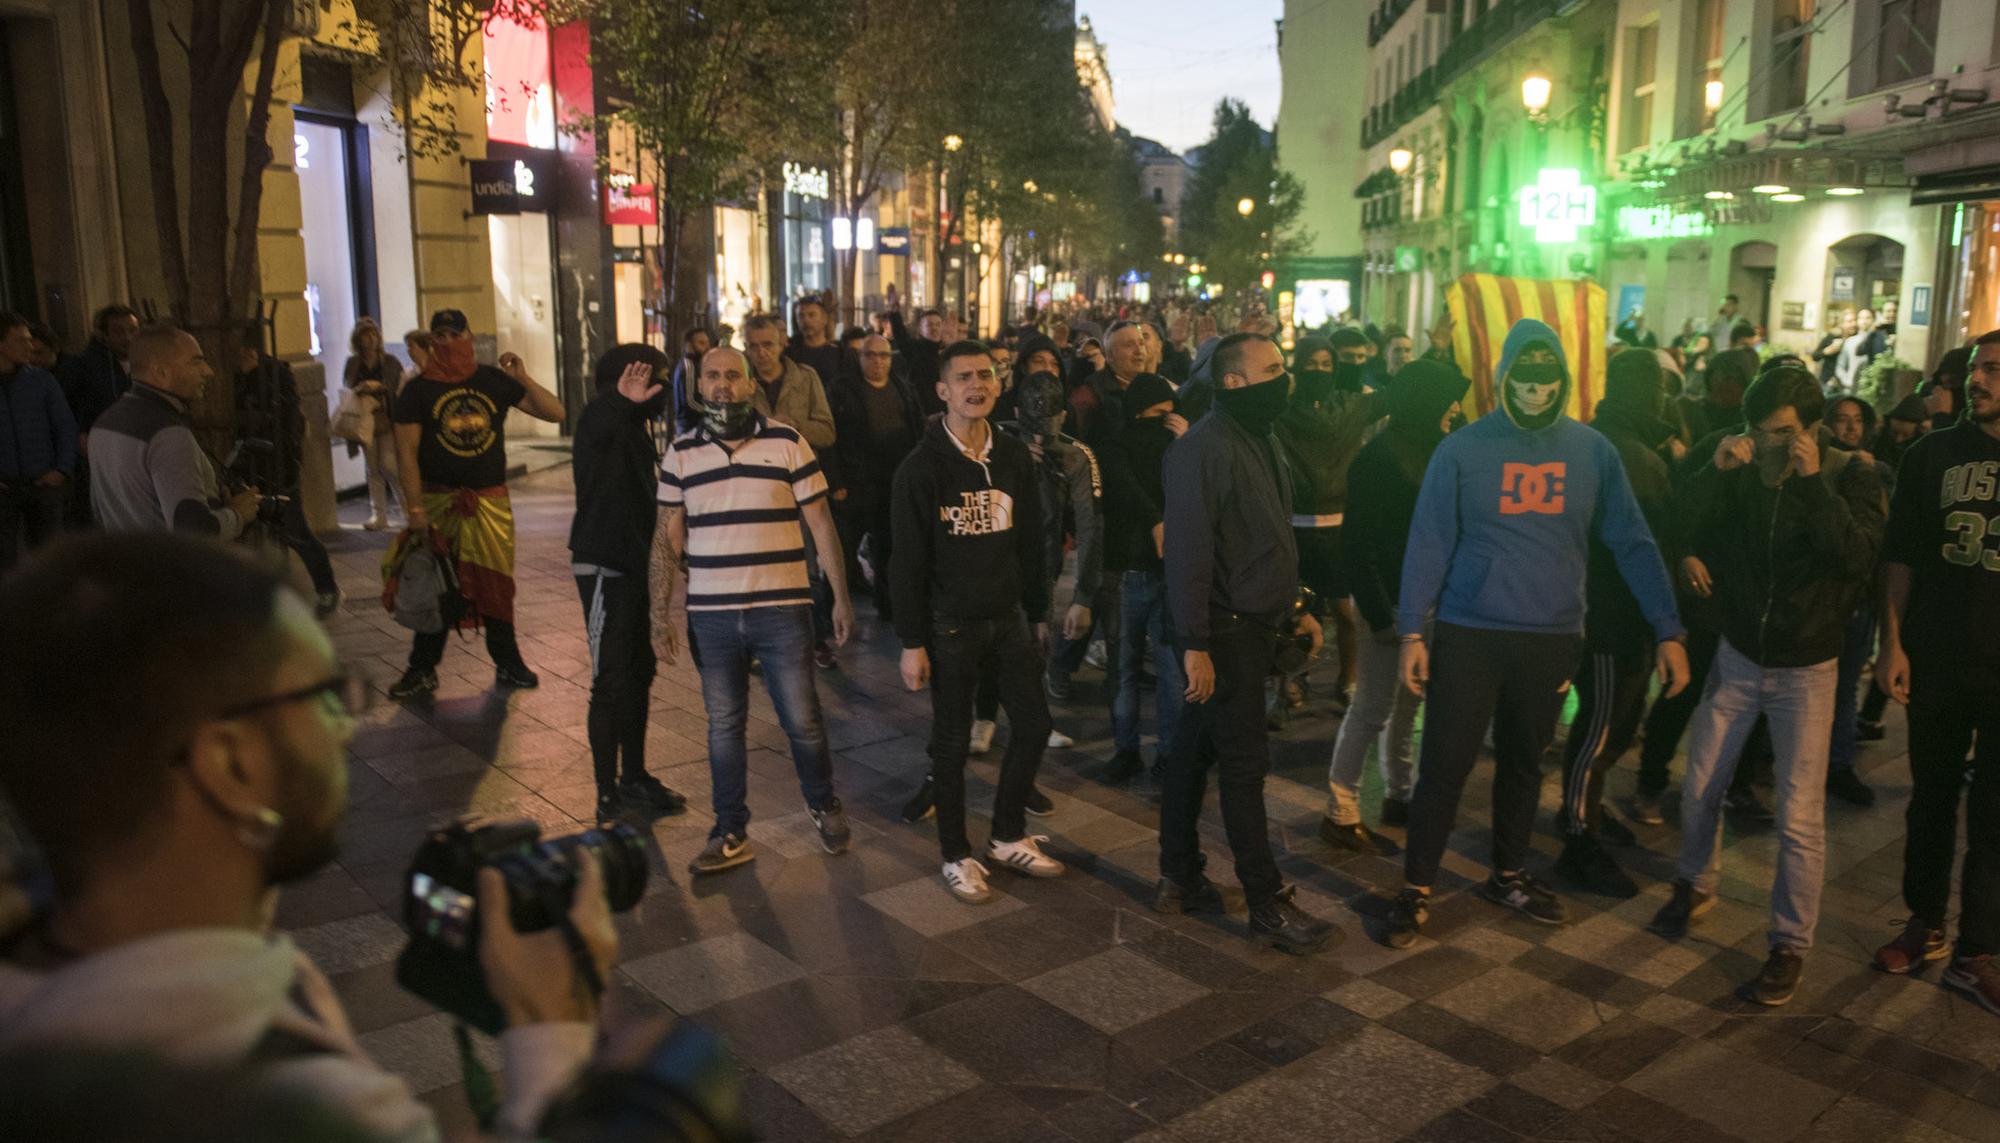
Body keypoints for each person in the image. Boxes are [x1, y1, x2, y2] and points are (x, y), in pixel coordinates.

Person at [0, 534, 613, 1143]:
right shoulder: (304, 1112)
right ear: (232, 764)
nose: (347, 728)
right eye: (325, 697)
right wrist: (553, 1036)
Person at [1386, 319, 1688, 948]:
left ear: (1565, 380)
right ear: (1503, 378)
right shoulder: (1462, 449)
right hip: (1470, 633)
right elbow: (1428, 541)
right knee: (1445, 764)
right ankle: (1414, 887)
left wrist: (1668, 627)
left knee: (1525, 764)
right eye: (1523, 376)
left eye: (1547, 377)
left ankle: (1509, 873)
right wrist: (1413, 631)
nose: (1535, 389)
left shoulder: (1592, 451)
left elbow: (1632, 542)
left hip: (1550, 638)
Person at [1647, 366, 1885, 1007]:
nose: (1767, 444)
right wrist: (1715, 474)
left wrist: (1810, 485)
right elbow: (1679, 524)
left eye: (1782, 433)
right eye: (1759, 431)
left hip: (1808, 667)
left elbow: (1858, 559)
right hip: (1740, 655)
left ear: (1811, 430)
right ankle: (1696, 883)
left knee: (1799, 815)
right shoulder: (1741, 465)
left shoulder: (1849, 476)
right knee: (1699, 784)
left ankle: (1788, 945)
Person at [1155, 332, 1334, 955]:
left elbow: (1269, 533)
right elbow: (1188, 553)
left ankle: (1178, 873)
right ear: (1235, 382)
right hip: (1223, 631)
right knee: (1243, 764)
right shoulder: (1200, 449)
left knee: (1192, 752)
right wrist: (1194, 643)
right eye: (1276, 368)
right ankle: (1266, 902)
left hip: (1254, 623)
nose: (1288, 379)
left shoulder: (1261, 435)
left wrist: (1297, 607)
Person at [651, 345, 854, 875]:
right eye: (713, 377)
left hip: (782, 609)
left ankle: (824, 803)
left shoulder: (787, 442)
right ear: (700, 389)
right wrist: (659, 613)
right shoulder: (681, 452)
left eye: (732, 376)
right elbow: (667, 539)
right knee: (724, 726)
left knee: (803, 721)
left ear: (749, 385)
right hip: (712, 615)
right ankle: (729, 828)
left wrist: (840, 597)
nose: (723, 385)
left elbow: (822, 525)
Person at [889, 340, 1066, 904]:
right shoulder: (920, 469)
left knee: (1034, 725)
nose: (977, 384)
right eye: (963, 377)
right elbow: (907, 561)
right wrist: (912, 641)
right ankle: (955, 853)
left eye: (986, 374)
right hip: (950, 625)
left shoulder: (1013, 456)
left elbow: (1032, 544)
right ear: (942, 391)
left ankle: (1007, 835)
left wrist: (1039, 611)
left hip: (1008, 617)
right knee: (952, 743)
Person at [1871, 328, 2000, 1011]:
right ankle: (1925, 922)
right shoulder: (1931, 454)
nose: (1979, 381)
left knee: (1997, 814)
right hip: (1940, 658)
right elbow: (1901, 556)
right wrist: (1891, 643)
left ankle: (1979, 949)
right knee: (1931, 798)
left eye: (1995, 371)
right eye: (1978, 369)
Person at [1552, 349, 1682, 898]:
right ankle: (1579, 839)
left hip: (1604, 615)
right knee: (1601, 732)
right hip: (1613, 620)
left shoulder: (1598, 443)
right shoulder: (1629, 456)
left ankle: (1583, 813)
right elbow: (1650, 544)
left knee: (1606, 729)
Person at [1321, 361, 1466, 851]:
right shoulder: (1379, 458)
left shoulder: (1443, 451)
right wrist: (1382, 615)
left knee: (1410, 703)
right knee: (1373, 707)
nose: (1456, 407)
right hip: (1391, 601)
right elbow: (1358, 544)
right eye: (1449, 396)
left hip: (1430, 600)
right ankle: (1340, 809)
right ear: (1426, 399)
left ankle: (1400, 793)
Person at [386, 309, 565, 699]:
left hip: (489, 504)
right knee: (439, 586)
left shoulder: (492, 381)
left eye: (455, 333)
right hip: (438, 504)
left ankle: (508, 662)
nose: (448, 342)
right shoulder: (416, 391)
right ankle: (422, 669)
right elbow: (406, 454)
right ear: (432, 340)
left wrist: (522, 379)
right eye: (441, 335)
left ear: (469, 334)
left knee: (495, 585)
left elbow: (556, 413)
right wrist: (414, 510)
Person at [568, 345, 688, 821]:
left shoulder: (635, 431)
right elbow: (597, 426)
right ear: (627, 380)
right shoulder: (602, 419)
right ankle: (605, 793)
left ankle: (634, 777)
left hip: (635, 568)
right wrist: (619, 400)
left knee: (639, 674)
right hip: (604, 568)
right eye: (653, 381)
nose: (661, 391)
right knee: (610, 680)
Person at [1273, 329, 1387, 722]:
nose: (1319, 371)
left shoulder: (1353, 406)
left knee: (1346, 613)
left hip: (1338, 529)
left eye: (1326, 365)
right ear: (1298, 368)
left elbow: (1402, 395)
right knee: (1294, 612)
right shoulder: (1281, 409)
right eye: (1311, 365)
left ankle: (1348, 680)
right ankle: (1291, 680)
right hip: (1296, 528)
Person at [88, 325, 259, 539]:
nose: (208, 371)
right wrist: (237, 515)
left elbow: (99, 513)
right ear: (161, 372)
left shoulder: (103, 424)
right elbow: (193, 531)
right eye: (196, 361)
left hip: (124, 564)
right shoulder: (168, 433)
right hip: (169, 567)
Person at [1099, 373, 1188, 781]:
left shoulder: (1180, 443)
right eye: (1156, 415)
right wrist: (1155, 520)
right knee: (1125, 664)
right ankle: (1126, 749)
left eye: (1170, 415)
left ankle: (1170, 752)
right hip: (1128, 569)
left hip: (1170, 571)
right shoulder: (1117, 444)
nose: (1164, 422)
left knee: (1171, 668)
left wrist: (1187, 444)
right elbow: (1123, 485)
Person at [743, 313, 841, 669]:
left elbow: (827, 431)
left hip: (799, 488)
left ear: (782, 342)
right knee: (759, 571)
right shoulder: (742, 383)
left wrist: (792, 427)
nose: (761, 353)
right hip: (755, 491)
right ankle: (760, 645)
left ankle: (816, 640)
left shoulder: (805, 378)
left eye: (767, 344)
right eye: (753, 346)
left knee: (809, 568)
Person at [234, 325, 340, 615]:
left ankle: (326, 588)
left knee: (295, 532)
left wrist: (251, 377)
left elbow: (282, 420)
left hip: (277, 467)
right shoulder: (230, 375)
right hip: (244, 467)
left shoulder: (275, 374)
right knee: (256, 536)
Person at [1823, 395, 1891, 807]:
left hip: (1860, 598)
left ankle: (1838, 765)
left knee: (1846, 687)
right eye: (1841, 420)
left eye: (1856, 421)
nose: (1850, 428)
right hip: (1823, 599)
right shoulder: (1817, 467)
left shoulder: (1879, 471)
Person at [827, 333, 923, 619]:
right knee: (842, 550)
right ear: (860, 358)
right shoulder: (842, 390)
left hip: (893, 482)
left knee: (889, 548)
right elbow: (831, 438)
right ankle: (834, 608)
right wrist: (836, 482)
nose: (878, 362)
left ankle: (888, 604)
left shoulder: (903, 388)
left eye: (884, 355)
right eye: (871, 355)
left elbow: (917, 431)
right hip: (855, 483)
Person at [0, 313, 75, 572]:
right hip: (3, 486)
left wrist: (61, 469)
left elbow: (64, 425)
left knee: (50, 559)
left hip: (42, 481)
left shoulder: (42, 380)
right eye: (21, 340)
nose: (29, 346)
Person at [342, 318, 405, 531]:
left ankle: (407, 510)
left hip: (385, 418)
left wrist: (380, 387)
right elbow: (347, 389)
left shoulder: (390, 362)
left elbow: (398, 387)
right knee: (373, 469)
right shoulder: (353, 363)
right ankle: (379, 515)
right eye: (365, 336)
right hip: (365, 420)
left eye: (373, 335)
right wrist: (361, 388)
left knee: (390, 467)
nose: (370, 340)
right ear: (358, 339)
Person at [57, 303, 138, 442]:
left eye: (133, 330)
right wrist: (81, 431)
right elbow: (69, 408)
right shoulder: (84, 366)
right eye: (118, 332)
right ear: (103, 335)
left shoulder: (147, 364)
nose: (128, 337)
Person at [668, 326, 712, 431]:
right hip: (690, 425)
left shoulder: (695, 364)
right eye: (702, 343)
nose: (707, 347)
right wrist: (712, 411)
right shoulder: (689, 366)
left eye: (707, 343)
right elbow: (690, 401)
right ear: (689, 346)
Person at [1812, 312, 1854, 387]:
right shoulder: (1832, 336)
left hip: (1847, 382)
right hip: (1828, 380)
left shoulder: (1856, 338)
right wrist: (1826, 351)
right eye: (1849, 322)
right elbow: (1815, 356)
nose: (1853, 324)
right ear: (1841, 324)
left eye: (1854, 320)